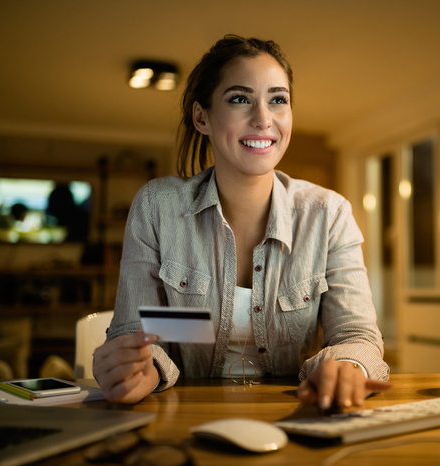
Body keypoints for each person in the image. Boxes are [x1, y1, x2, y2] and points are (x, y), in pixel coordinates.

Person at [93, 34, 391, 406]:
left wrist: (348, 365)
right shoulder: (157, 206)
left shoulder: (329, 214)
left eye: (278, 100)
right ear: (202, 117)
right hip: (184, 416)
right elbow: (135, 332)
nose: (264, 119)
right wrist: (139, 370)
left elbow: (358, 336)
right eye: (239, 99)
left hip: (295, 414)